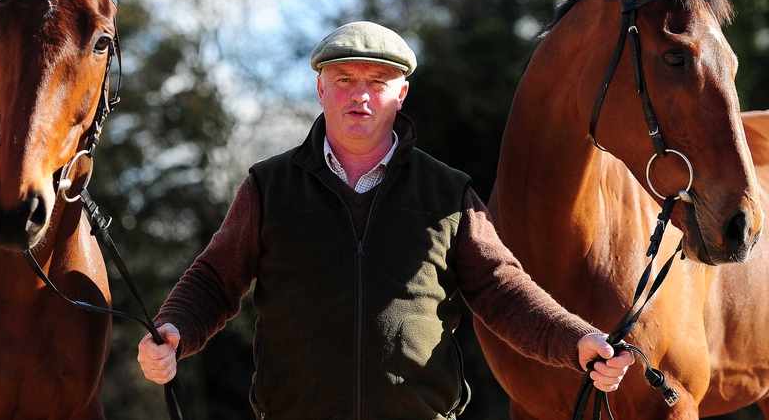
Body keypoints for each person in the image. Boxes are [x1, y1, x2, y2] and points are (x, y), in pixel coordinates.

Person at [138, 21, 635, 419]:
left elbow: (504, 292)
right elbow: (215, 278)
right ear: (320, 89)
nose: (361, 96)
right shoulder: (269, 186)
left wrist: (577, 340)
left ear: (401, 95)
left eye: (378, 82)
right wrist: (173, 328)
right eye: (344, 81)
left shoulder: (447, 192)